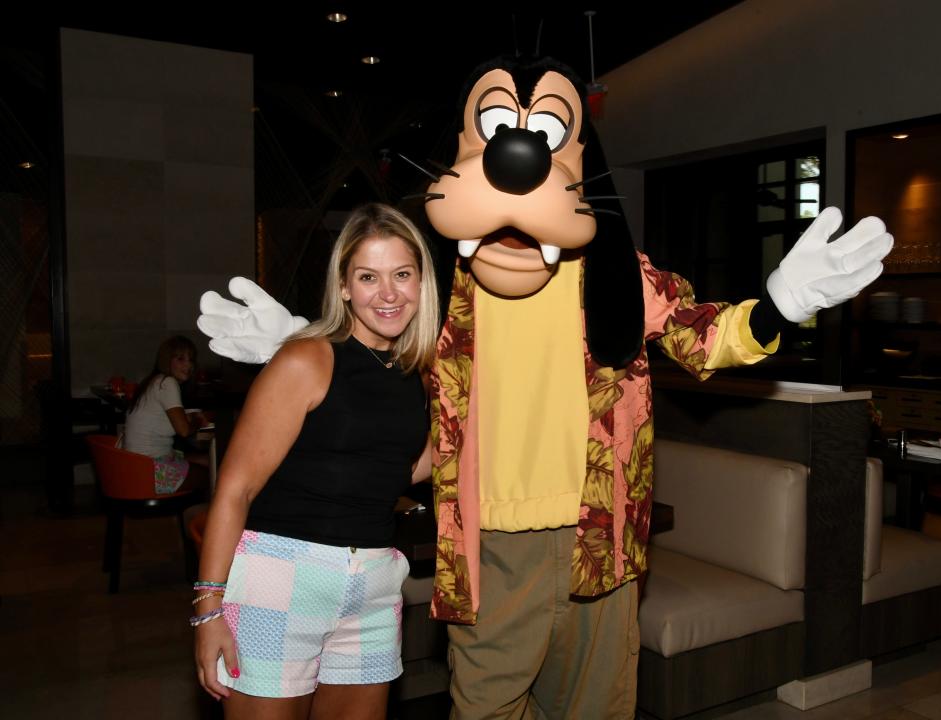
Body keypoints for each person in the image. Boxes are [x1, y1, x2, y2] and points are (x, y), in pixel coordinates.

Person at [198, 57, 893, 719]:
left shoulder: (618, 277)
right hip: (489, 549)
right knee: (486, 707)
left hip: (602, 542)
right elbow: (385, 368)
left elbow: (699, 336)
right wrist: (315, 341)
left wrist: (775, 307)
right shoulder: (441, 294)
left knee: (594, 708)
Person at [193, 203, 439, 720]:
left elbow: (392, 470)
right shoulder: (307, 358)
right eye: (368, 277)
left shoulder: (412, 373)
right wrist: (208, 608)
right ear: (345, 286)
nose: (388, 293)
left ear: (422, 282)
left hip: (373, 581)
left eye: (402, 275)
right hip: (283, 575)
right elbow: (235, 489)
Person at [123, 335, 209, 494]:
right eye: (180, 359)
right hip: (150, 470)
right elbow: (183, 430)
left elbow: (162, 420)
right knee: (214, 474)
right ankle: (200, 517)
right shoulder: (167, 383)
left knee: (208, 459)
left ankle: (189, 516)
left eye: (191, 359)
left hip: (135, 466)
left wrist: (189, 418)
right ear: (166, 360)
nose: (188, 365)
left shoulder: (153, 381)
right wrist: (198, 420)